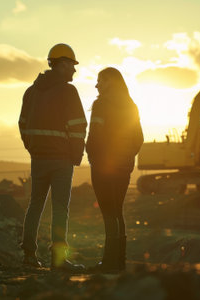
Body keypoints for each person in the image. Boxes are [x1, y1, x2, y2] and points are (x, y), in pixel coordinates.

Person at [18, 43, 87, 272]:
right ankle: (58, 260)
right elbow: (78, 127)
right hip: (61, 160)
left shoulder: (31, 92)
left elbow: (23, 125)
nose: (74, 71)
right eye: (72, 65)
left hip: (38, 158)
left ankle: (29, 255)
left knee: (35, 205)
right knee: (60, 209)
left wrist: (34, 149)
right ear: (62, 64)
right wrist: (75, 156)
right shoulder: (68, 92)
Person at [86, 67, 144, 272]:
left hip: (103, 167)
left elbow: (94, 136)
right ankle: (119, 261)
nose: (96, 85)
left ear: (110, 81)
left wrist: (94, 158)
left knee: (108, 213)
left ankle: (109, 262)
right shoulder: (131, 106)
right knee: (117, 212)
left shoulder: (101, 105)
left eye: (100, 81)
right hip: (123, 167)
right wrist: (127, 158)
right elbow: (139, 138)